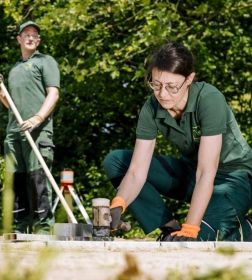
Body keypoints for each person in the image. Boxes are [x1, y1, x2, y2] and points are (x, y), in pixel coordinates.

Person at [103, 42, 252, 241]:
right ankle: (169, 227)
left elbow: (207, 171)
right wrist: (118, 205)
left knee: (200, 239)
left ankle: (247, 227)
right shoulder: (152, 107)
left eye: (172, 86)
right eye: (156, 84)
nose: (163, 94)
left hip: (234, 178)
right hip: (191, 175)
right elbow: (136, 171)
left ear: (189, 79)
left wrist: (191, 228)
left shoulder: (209, 99)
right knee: (116, 161)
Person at [0, 21, 60, 234]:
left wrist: (38, 118)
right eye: (26, 34)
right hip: (14, 131)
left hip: (38, 130)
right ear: (19, 39)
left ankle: (43, 228)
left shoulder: (45, 62)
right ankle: (19, 227)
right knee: (16, 179)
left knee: (38, 177)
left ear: (38, 41)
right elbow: (11, 106)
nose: (30, 37)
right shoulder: (14, 69)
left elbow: (54, 93)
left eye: (35, 35)